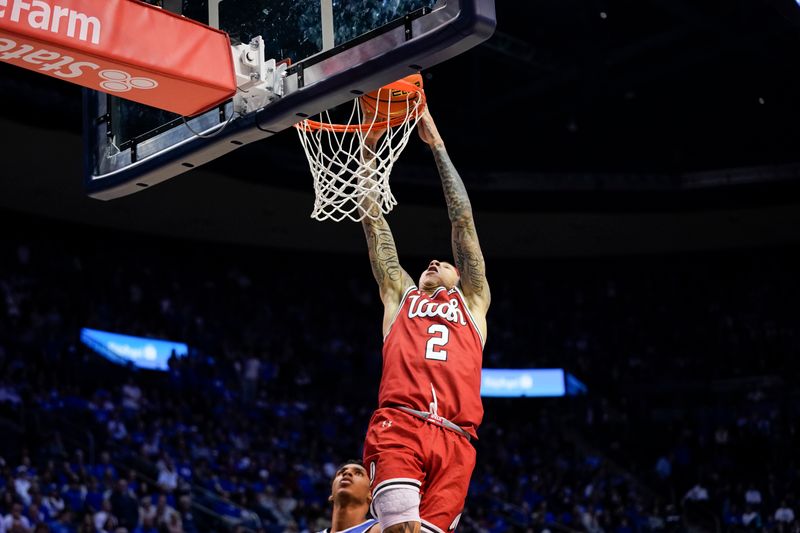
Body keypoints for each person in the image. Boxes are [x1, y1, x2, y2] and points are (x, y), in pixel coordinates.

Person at [359, 107, 490, 533]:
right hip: (401, 424)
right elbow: (372, 217)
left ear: (460, 275)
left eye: (445, 263)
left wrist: (437, 146)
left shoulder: (472, 302)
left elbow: (463, 221)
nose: (435, 261)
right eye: (431, 262)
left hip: (458, 440)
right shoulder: (400, 295)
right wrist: (368, 150)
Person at [317, 461, 379, 533]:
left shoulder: (385, 529)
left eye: (358, 473)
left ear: (370, 494)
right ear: (331, 494)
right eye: (340, 473)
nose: (346, 473)